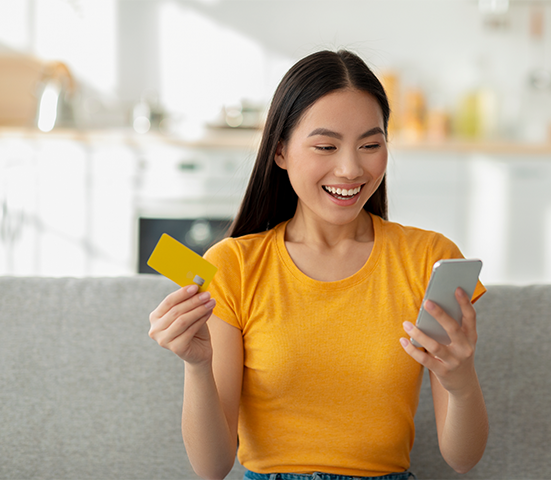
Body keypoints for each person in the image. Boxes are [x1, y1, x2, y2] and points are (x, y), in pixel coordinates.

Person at [149, 49, 489, 480]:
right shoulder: (234, 265)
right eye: (326, 146)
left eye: (370, 144)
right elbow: (212, 467)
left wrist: (460, 381)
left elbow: (463, 458)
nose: (350, 169)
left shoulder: (429, 259)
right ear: (280, 152)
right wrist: (196, 366)